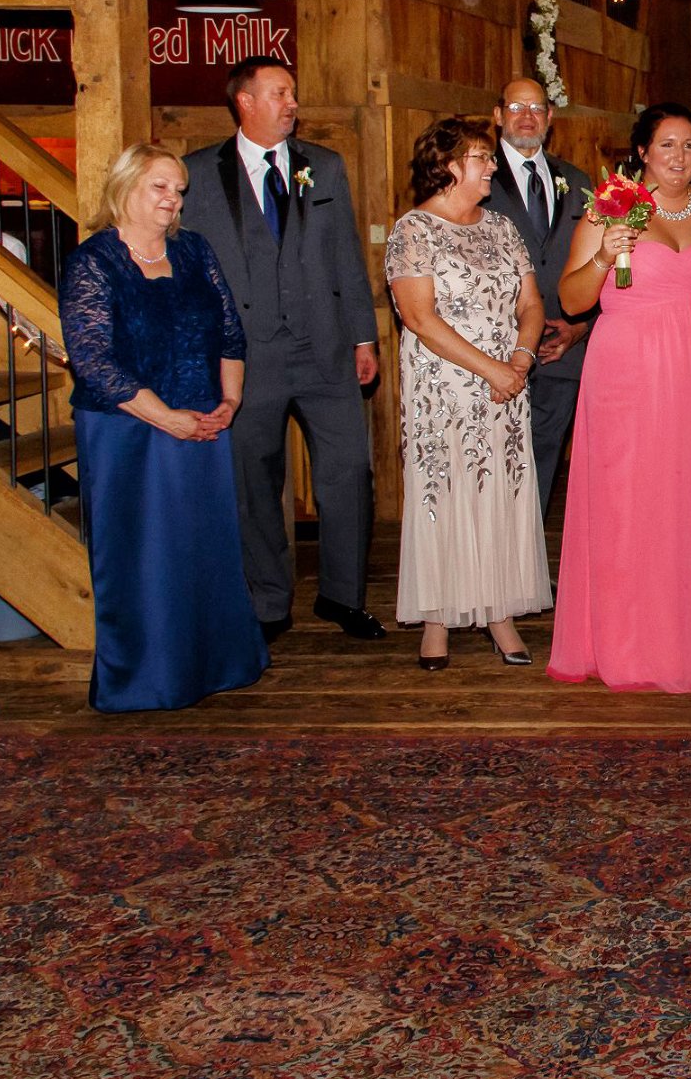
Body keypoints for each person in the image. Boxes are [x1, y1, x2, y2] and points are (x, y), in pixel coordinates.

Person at [181, 58, 384, 642]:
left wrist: (363, 335)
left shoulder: (325, 167)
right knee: (253, 480)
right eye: (280, 93)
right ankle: (268, 602)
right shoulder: (198, 173)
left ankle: (343, 597)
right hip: (245, 357)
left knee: (349, 472)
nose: (292, 103)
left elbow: (346, 251)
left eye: (292, 93)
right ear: (244, 102)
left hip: (325, 349)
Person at [58, 143, 266, 712]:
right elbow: (94, 361)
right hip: (127, 432)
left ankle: (217, 666)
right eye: (160, 187)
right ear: (124, 188)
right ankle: (147, 679)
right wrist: (165, 417)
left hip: (201, 425)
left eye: (178, 190)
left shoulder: (195, 250)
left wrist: (229, 400)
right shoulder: (93, 262)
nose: (173, 199)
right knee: (143, 558)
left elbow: (230, 333)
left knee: (204, 553)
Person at [549, 102, 691, 691]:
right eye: (667, 146)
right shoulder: (611, 207)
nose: (680, 158)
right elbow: (573, 299)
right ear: (642, 152)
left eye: (689, 146)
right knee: (630, 500)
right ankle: (630, 641)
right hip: (628, 373)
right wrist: (606, 254)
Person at [386, 119, 553, 669]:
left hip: (507, 385)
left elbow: (531, 304)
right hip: (445, 387)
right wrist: (491, 370)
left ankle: (499, 612)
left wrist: (521, 361)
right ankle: (437, 618)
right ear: (450, 166)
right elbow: (418, 317)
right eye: (482, 158)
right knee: (443, 491)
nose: (492, 167)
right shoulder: (413, 230)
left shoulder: (503, 228)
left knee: (501, 489)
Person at [486, 76, 595, 510]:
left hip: (559, 350)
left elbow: (596, 263)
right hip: (496, 350)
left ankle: (528, 574)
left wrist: (581, 327)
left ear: (550, 117)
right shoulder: (478, 175)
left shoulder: (576, 179)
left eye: (536, 108)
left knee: (544, 461)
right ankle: (493, 572)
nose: (526, 117)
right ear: (498, 115)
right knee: (494, 463)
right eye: (516, 108)